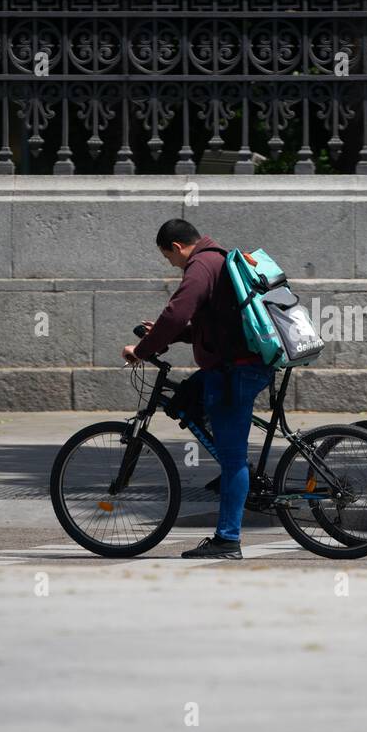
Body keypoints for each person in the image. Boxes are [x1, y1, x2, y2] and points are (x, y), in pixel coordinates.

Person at [122, 219, 273, 560]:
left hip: (236, 370)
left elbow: (177, 314)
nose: (171, 265)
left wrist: (142, 351)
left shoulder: (200, 265)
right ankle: (234, 476)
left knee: (234, 460)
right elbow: (206, 326)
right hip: (236, 365)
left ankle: (227, 540)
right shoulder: (216, 259)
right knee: (186, 400)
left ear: (176, 247)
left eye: (167, 258)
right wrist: (163, 334)